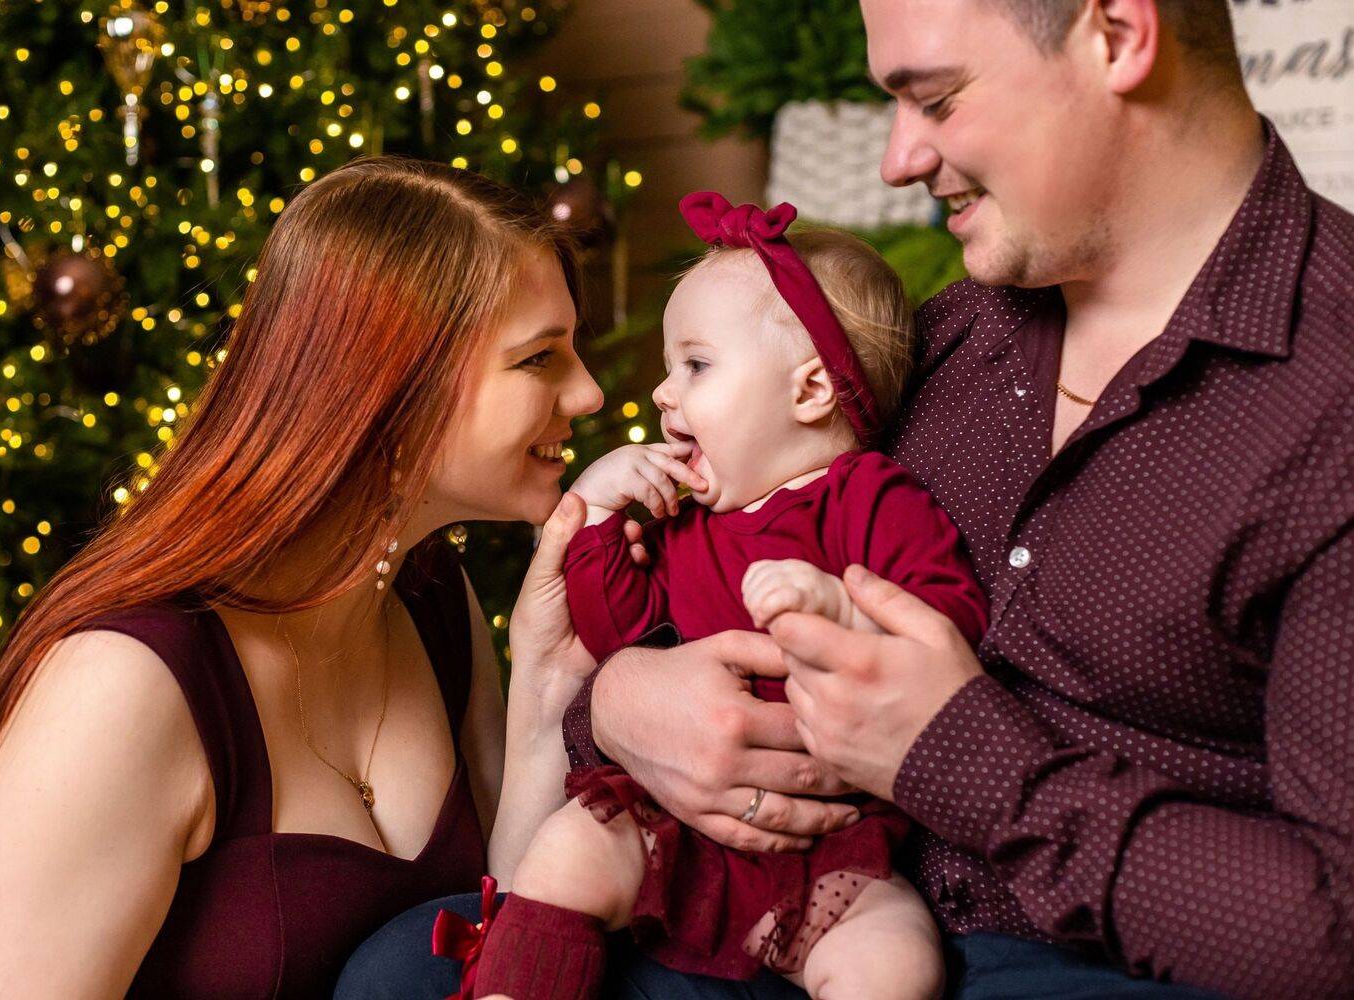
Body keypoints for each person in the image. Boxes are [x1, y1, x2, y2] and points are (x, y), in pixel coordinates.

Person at [344, 1, 1354, 997]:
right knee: (401, 975)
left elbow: (1335, 930)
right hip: (750, 899)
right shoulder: (951, 339)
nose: (897, 160)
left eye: (937, 99)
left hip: (1075, 961)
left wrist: (964, 756)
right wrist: (624, 705)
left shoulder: (1331, 405)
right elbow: (727, 566)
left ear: (1119, 34)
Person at [0, 157, 607, 998]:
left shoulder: (435, 594)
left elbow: (516, 932)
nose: (589, 393)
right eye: (539, 358)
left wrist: (549, 681)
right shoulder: (123, 686)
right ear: (391, 382)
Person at [458, 196, 988, 1000]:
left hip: (833, 847)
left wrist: (841, 611)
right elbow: (615, 631)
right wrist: (596, 510)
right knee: (566, 851)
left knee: (896, 959)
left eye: (696, 366)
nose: (663, 394)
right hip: (678, 829)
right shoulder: (689, 526)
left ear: (811, 390)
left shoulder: (868, 497)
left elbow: (950, 617)